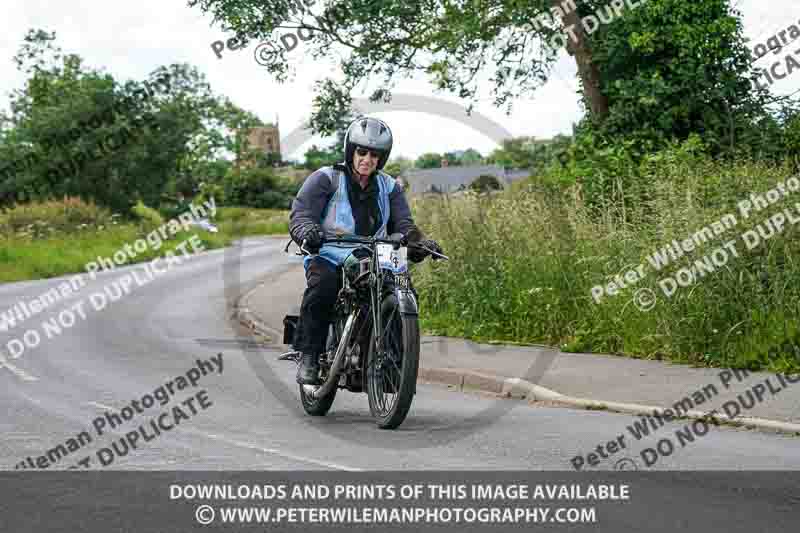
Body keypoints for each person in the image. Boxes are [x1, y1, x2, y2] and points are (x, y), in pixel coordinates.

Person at [289, 116, 443, 385]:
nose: (367, 159)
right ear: (352, 151)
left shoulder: (389, 187)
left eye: (374, 155)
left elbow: (404, 225)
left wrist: (420, 242)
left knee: (400, 288)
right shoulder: (326, 178)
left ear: (381, 158)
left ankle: (392, 363)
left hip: (373, 255)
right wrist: (307, 232)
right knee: (323, 287)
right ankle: (310, 356)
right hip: (328, 252)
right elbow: (301, 214)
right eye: (362, 152)